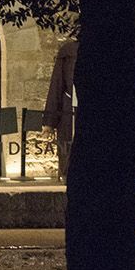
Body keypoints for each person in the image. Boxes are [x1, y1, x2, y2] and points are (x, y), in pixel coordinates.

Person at [41, 38, 78, 179]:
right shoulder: (67, 52)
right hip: (68, 109)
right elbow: (57, 86)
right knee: (67, 147)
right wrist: (49, 122)